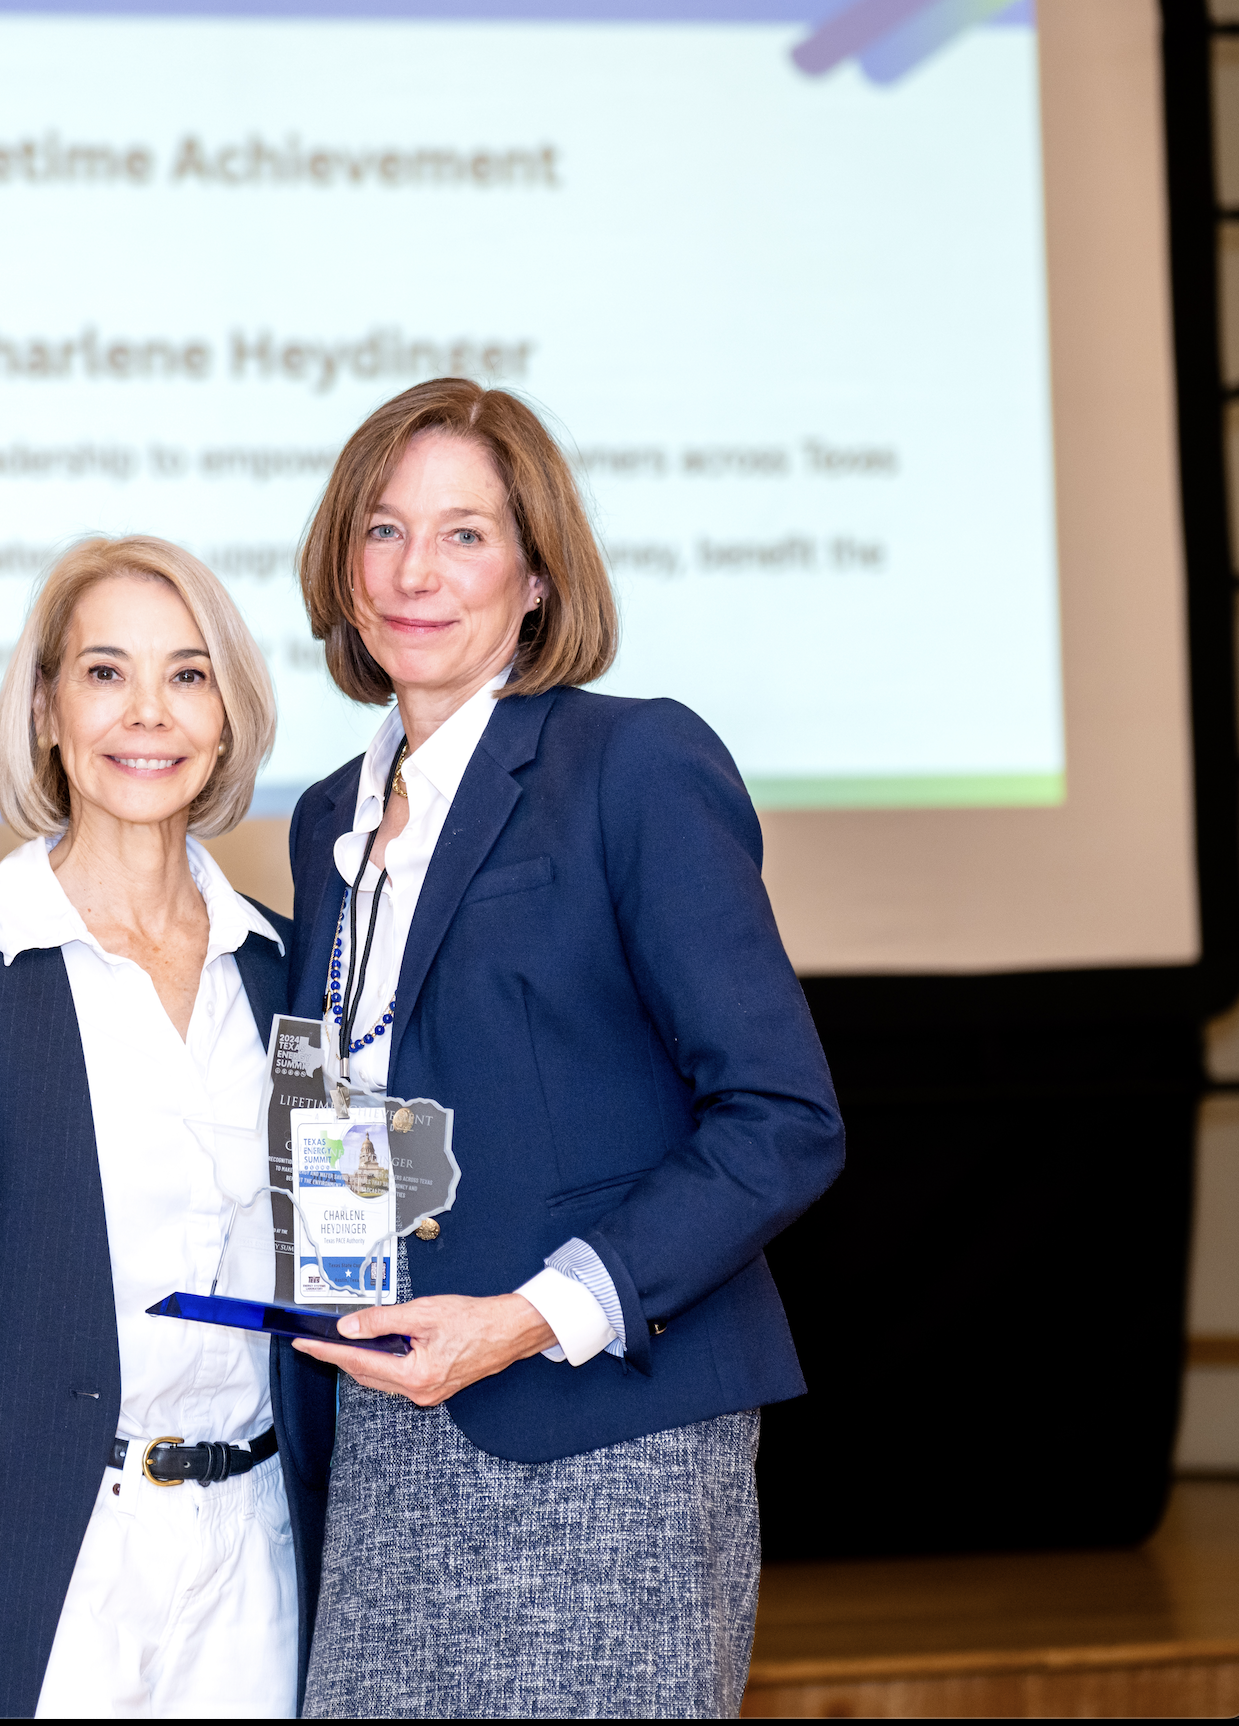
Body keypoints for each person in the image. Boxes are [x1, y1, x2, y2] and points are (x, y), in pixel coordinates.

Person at [282, 379, 845, 1718]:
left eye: (464, 534)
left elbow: (780, 1117)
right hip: (385, 1430)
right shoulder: (326, 823)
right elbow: (348, 1097)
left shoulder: (626, 762)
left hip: (604, 1436)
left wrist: (529, 1316)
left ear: (536, 575)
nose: (414, 571)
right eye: (380, 529)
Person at [0, 537, 337, 1718]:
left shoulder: (299, 976)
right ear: (45, 707)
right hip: (22, 1571)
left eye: (188, 675)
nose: (147, 712)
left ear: (230, 714)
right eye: (105, 672)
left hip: (257, 1569)